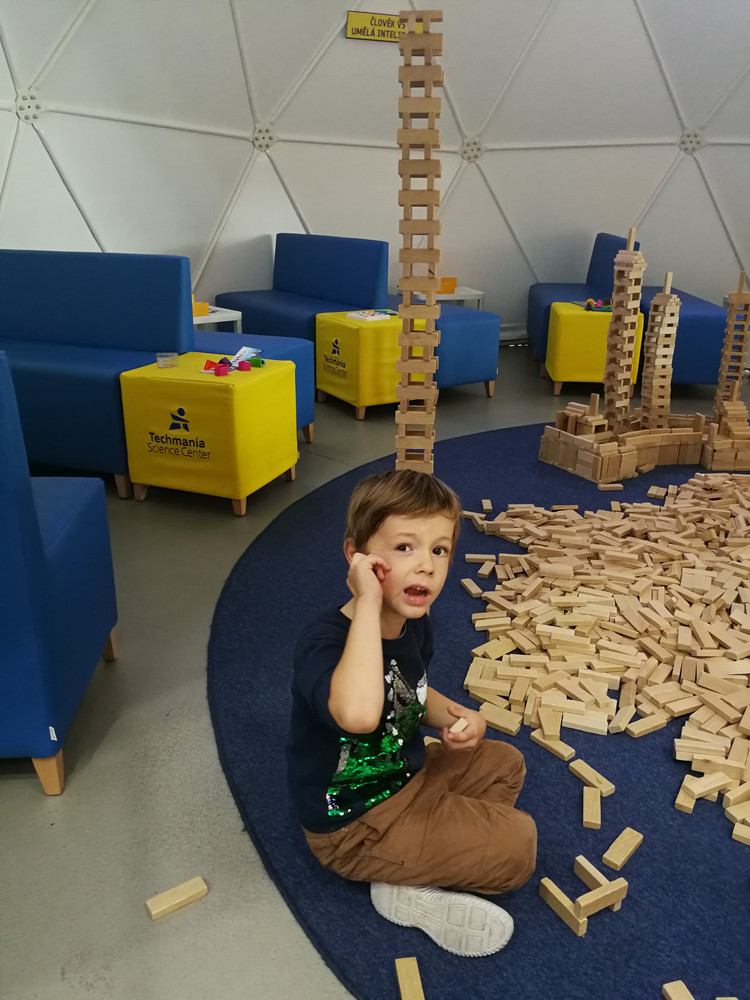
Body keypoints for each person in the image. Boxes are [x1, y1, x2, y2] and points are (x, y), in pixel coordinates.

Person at [286, 469, 536, 957]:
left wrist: (457, 716)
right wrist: (367, 603)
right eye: (405, 548)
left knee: (506, 762)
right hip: (354, 826)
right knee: (518, 847)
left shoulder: (412, 623)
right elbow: (359, 715)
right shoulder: (324, 642)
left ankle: (427, 851)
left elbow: (410, 691)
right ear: (356, 557)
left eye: (439, 550)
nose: (426, 566)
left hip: (406, 777)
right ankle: (407, 879)